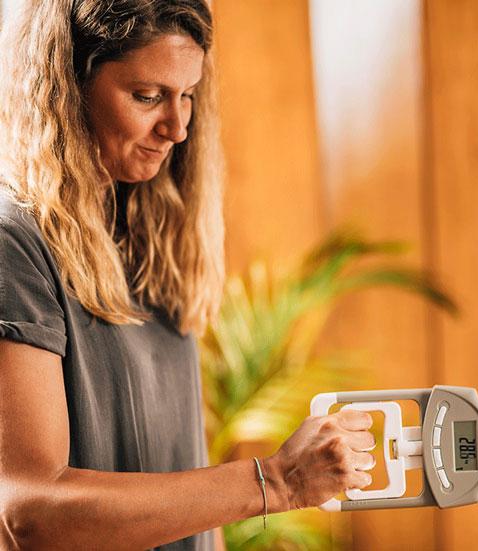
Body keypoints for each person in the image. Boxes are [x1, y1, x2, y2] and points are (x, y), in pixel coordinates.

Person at [0, 1, 375, 549]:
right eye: (147, 97)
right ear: (66, 87)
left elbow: (185, 469)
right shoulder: (15, 244)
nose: (176, 127)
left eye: (189, 96)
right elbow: (27, 511)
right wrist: (274, 481)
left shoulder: (156, 235)